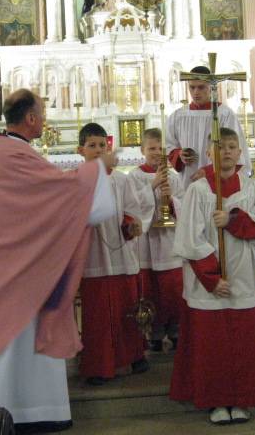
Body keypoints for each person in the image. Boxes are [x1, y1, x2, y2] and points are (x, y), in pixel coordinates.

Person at [0, 89, 118, 434]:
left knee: (19, 341)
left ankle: (31, 409)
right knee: (14, 340)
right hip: (13, 270)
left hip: (13, 262)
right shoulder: (12, 155)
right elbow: (60, 195)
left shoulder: (4, 151)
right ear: (30, 118)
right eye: (41, 113)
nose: (43, 119)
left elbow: (46, 199)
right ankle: (17, 410)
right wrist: (97, 170)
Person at [170, 127, 255, 425]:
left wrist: (233, 220)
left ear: (240, 151)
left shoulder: (251, 188)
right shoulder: (198, 190)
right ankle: (216, 401)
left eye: (232, 146)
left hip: (244, 275)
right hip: (208, 283)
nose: (227, 152)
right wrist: (211, 278)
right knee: (213, 345)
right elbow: (189, 239)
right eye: (220, 147)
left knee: (243, 343)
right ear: (209, 153)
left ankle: (242, 399)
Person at [77, 122, 150, 386]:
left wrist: (131, 225)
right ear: (81, 150)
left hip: (121, 253)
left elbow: (132, 209)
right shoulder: (78, 179)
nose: (98, 150)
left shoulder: (121, 179)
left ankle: (134, 355)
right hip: (94, 255)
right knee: (98, 315)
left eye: (102, 145)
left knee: (126, 308)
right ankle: (99, 366)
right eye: (92, 146)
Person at [127, 128, 184, 352]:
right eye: (151, 148)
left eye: (160, 148)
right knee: (151, 289)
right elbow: (131, 205)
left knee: (172, 289)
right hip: (147, 242)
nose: (156, 152)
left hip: (169, 240)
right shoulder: (134, 176)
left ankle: (176, 330)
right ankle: (154, 332)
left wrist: (171, 202)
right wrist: (152, 185)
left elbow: (183, 205)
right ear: (142, 150)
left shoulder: (174, 176)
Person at [166, 66, 251, 189]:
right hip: (187, 179)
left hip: (218, 180)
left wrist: (210, 171)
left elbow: (235, 150)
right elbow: (168, 144)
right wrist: (179, 155)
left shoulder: (224, 114)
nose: (196, 92)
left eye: (201, 87)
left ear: (211, 87)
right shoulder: (178, 116)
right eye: (192, 87)